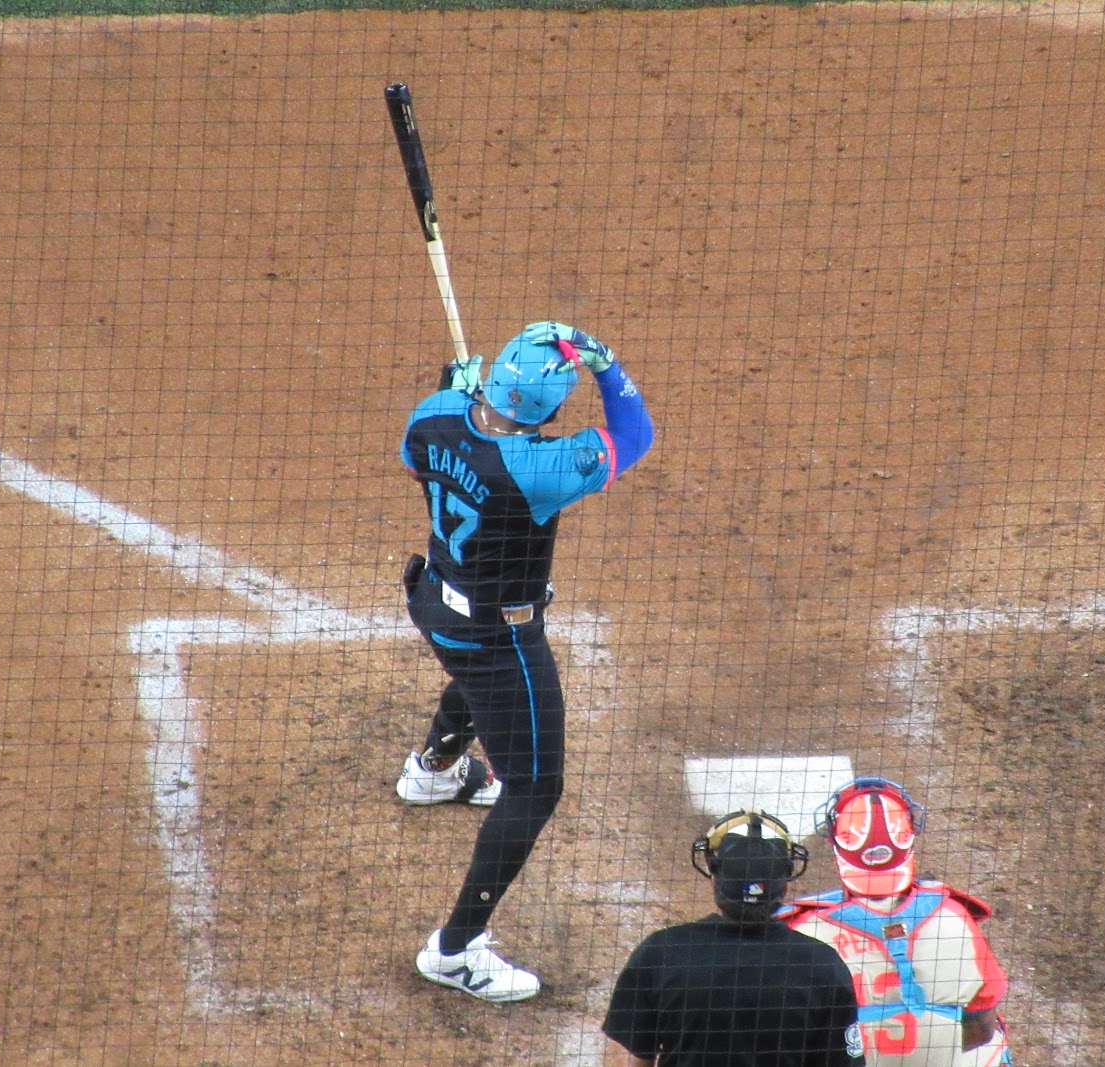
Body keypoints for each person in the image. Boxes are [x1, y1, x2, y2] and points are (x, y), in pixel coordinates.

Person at [396, 320, 654, 1003]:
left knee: (477, 682)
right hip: (496, 637)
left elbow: (418, 458)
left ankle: (434, 771)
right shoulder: (541, 470)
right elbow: (634, 436)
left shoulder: (434, 413)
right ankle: (455, 951)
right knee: (535, 789)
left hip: (434, 602)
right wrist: (606, 364)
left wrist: (458, 398)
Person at [602, 810, 867, 1067]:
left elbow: (625, 1062)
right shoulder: (822, 966)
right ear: (784, 886)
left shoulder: (660, 954)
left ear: (715, 881)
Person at [778, 779, 1012, 1067]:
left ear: (838, 846)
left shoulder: (803, 930)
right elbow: (982, 1025)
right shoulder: (954, 916)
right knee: (993, 1038)